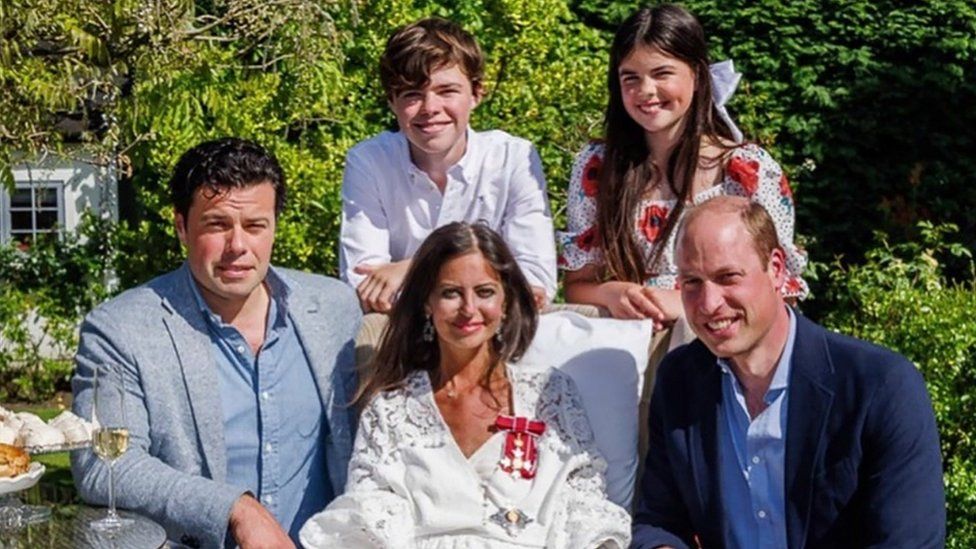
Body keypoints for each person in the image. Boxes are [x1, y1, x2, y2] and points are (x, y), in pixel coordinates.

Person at [71, 138, 361, 549]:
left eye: (255, 226)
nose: (238, 246)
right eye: (217, 224)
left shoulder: (335, 310)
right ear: (181, 226)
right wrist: (236, 509)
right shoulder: (121, 329)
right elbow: (104, 466)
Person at [632, 195, 945, 548]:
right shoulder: (680, 380)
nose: (708, 303)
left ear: (777, 269)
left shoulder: (879, 387)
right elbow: (659, 518)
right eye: (692, 282)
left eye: (728, 277)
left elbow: (909, 542)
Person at [301, 222, 630, 548]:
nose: (469, 309)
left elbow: (582, 502)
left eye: (484, 292)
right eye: (451, 293)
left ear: (505, 301)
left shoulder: (551, 394)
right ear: (427, 303)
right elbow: (368, 515)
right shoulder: (391, 408)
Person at [559, 4, 808, 325]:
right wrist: (614, 293)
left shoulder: (748, 171)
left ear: (698, 75)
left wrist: (687, 302)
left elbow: (779, 292)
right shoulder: (599, 167)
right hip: (630, 349)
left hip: (721, 349)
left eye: (662, 73)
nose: (646, 91)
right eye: (630, 78)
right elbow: (577, 286)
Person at [340, 17, 557, 313]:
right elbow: (366, 285)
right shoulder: (369, 162)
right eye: (412, 94)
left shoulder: (513, 158)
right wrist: (487, 283)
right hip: (406, 337)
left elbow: (535, 282)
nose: (430, 108)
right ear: (392, 102)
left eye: (446, 91)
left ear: (476, 93)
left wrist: (413, 266)